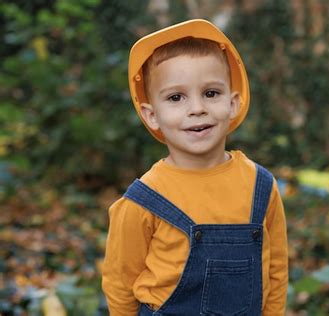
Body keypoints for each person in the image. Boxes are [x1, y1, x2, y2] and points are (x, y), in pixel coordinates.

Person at [101, 19, 288, 315]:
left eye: (211, 93)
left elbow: (276, 270)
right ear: (152, 115)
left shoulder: (260, 186)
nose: (197, 108)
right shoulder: (144, 198)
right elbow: (120, 282)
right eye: (176, 97)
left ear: (233, 103)